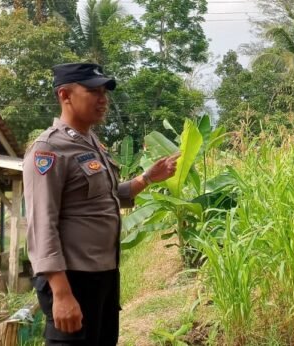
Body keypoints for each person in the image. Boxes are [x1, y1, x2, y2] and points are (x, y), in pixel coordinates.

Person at [24, 63, 179, 345]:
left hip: (103, 275)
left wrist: (147, 178)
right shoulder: (49, 149)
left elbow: (105, 195)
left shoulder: (92, 143)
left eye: (104, 92)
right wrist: (61, 293)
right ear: (65, 95)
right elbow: (41, 224)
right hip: (72, 279)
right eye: (93, 91)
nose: (103, 99)